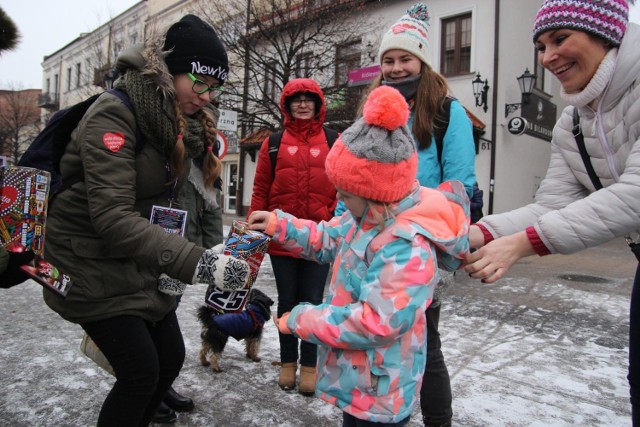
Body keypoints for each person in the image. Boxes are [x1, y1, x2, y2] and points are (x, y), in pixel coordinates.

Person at [41, 15, 251, 426]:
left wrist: (172, 261)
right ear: (169, 73)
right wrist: (199, 263)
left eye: (216, 88)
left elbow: (175, 199)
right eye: (201, 83)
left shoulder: (181, 123)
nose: (208, 97)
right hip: (87, 261)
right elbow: (113, 217)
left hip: (135, 260)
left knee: (169, 358)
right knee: (140, 373)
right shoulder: (115, 113)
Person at [248, 85, 470, 426]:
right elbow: (325, 237)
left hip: (381, 388)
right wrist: (280, 225)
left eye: (347, 193)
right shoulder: (362, 219)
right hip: (360, 379)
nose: (339, 197)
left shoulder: (405, 247)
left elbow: (375, 322)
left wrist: (302, 320)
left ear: (376, 194)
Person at [463, 1, 640, 425]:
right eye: (541, 45)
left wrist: (524, 243)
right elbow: (553, 203)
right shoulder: (571, 123)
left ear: (606, 34)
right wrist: (475, 233)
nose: (547, 57)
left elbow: (635, 194)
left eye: (560, 39)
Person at [346, 4, 475, 426]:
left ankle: (437, 420)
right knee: (372, 338)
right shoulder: (370, 112)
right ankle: (374, 414)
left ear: (422, 60)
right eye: (388, 60)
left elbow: (459, 186)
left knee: (425, 342)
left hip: (417, 247)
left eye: (405, 59)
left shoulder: (445, 112)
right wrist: (342, 227)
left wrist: (442, 253)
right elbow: (351, 174)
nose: (397, 68)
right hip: (368, 245)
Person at [247, 78, 337, 396]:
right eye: (295, 99)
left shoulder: (333, 140)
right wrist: (252, 234)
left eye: (308, 99)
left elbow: (343, 186)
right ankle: (288, 364)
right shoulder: (272, 142)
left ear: (317, 104)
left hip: (320, 241)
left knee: (312, 304)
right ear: (286, 105)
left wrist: (334, 219)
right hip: (282, 241)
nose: (302, 104)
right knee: (287, 302)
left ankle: (310, 367)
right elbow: (260, 191)